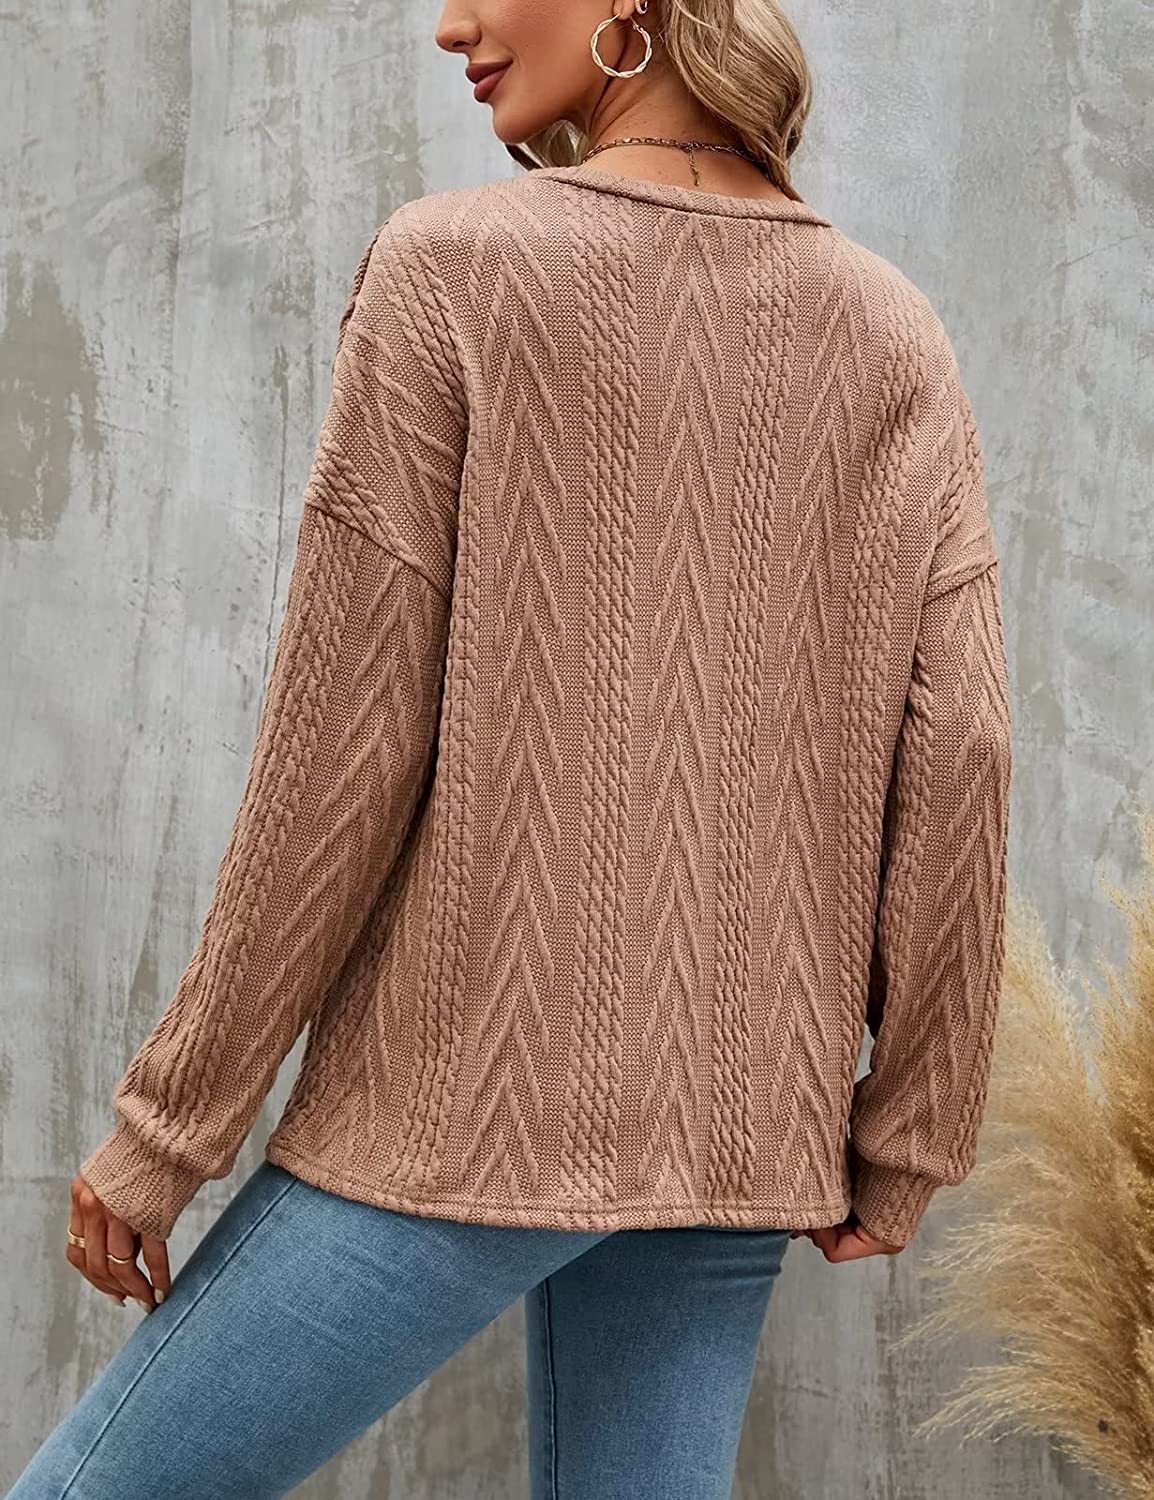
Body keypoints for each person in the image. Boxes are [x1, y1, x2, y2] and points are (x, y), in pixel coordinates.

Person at [8, 0, 1013, 1496]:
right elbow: (964, 753)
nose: (450, 24)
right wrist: (910, 1128)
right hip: (740, 1117)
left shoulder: (458, 269)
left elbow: (339, 754)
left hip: (471, 1092)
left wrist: (170, 1125)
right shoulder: (888, 328)